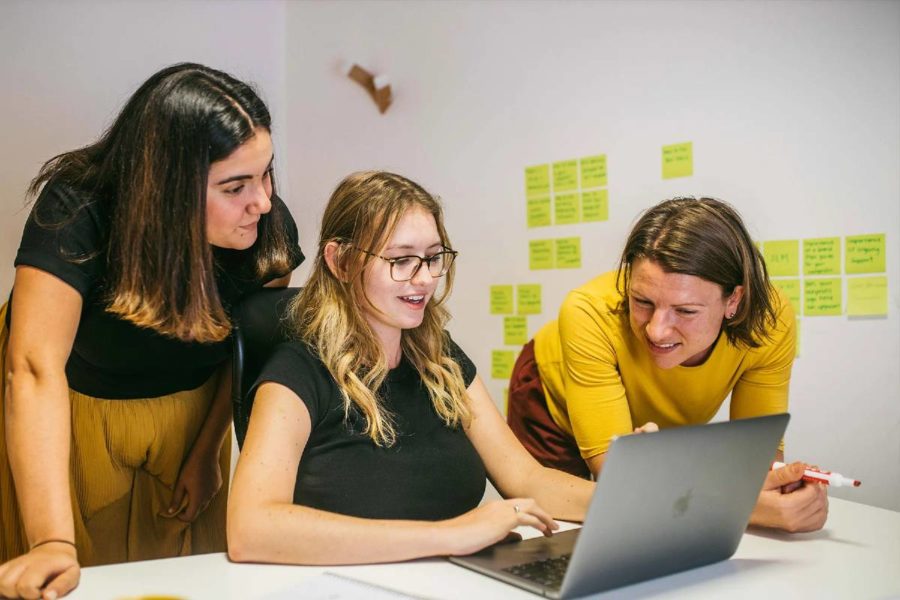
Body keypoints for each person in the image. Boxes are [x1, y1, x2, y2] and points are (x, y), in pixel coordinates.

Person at [0, 63, 304, 599]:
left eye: (267, 173)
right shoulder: (78, 207)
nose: (262, 201)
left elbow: (246, 354)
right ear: (166, 188)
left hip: (189, 409)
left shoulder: (264, 228)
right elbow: (32, 369)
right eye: (235, 186)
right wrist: (50, 541)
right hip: (67, 406)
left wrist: (207, 450)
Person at [226, 171, 594, 565]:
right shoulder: (296, 374)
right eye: (401, 260)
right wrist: (448, 535)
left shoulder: (442, 360)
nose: (424, 279)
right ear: (341, 261)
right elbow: (252, 529)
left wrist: (639, 501)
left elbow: (527, 479)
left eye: (434, 258)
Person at [507, 197, 828, 533]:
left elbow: (756, 459)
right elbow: (616, 474)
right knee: (559, 531)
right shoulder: (587, 312)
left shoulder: (770, 321)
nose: (656, 330)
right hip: (549, 400)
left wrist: (780, 489)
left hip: (652, 421)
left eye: (686, 311)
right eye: (642, 302)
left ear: (734, 299)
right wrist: (739, 505)